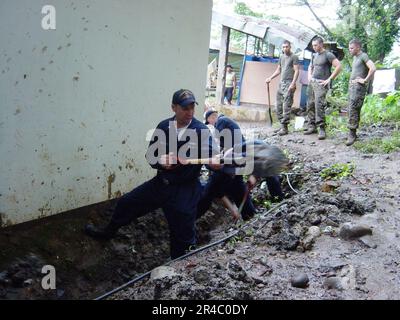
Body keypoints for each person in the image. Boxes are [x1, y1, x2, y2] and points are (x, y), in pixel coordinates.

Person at [84, 89, 221, 259]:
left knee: (183, 236)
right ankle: (107, 232)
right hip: (161, 183)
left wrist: (213, 162)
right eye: (185, 108)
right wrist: (160, 161)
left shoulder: (201, 130)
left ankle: (181, 269)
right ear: (174, 107)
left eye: (193, 107)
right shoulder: (164, 127)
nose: (190, 112)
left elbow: (210, 154)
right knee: (127, 203)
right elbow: (150, 156)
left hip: (185, 191)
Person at [197, 111, 284, 221]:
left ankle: (257, 214)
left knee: (242, 190)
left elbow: (256, 160)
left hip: (256, 155)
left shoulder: (222, 122)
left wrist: (253, 176)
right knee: (218, 191)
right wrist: (232, 208)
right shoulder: (220, 173)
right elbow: (218, 192)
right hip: (227, 169)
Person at [304, 37, 342, 140]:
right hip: (313, 82)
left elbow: (339, 66)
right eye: (313, 45)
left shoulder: (328, 54)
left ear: (321, 44)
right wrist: (309, 76)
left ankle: (321, 128)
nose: (314, 47)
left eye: (316, 45)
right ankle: (311, 126)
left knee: (318, 105)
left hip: (322, 84)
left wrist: (329, 79)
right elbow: (310, 66)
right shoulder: (314, 55)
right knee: (310, 104)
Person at [265, 40, 300, 135]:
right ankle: (281, 125)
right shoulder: (281, 57)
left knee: (286, 106)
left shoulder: (294, 57)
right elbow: (278, 70)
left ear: (290, 47)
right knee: (278, 105)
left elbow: (296, 71)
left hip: (289, 83)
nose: (285, 49)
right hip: (281, 83)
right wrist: (270, 78)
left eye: (286, 47)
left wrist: (293, 83)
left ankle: (285, 128)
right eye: (283, 47)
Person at [346, 39, 376, 146]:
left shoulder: (363, 56)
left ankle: (352, 134)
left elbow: (372, 68)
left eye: (352, 48)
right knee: (350, 108)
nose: (350, 50)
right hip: (353, 87)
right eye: (349, 48)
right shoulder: (355, 57)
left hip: (358, 87)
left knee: (354, 108)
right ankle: (352, 132)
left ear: (358, 47)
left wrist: (365, 80)